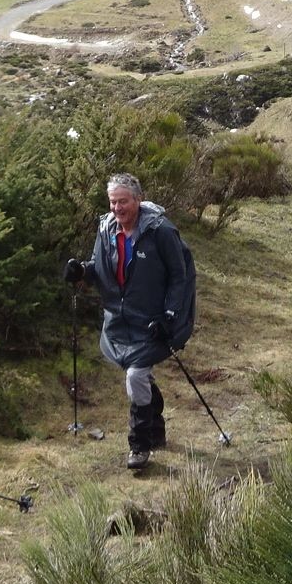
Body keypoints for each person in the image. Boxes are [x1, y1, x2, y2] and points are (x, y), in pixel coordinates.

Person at [64, 173, 196, 470]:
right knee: (138, 375)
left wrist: (170, 315)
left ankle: (140, 444)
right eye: (113, 202)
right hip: (120, 321)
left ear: (138, 199)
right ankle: (156, 429)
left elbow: (180, 276)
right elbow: (100, 267)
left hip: (152, 321)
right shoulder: (106, 228)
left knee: (135, 375)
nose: (117, 208)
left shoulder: (160, 231)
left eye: (123, 201)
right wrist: (82, 272)